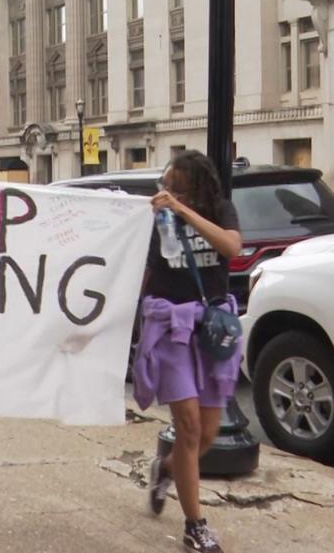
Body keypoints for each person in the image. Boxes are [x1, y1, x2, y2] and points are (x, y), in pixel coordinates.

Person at [135, 150, 242, 553]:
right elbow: (142, 273)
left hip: (211, 329)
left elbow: (231, 246)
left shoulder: (221, 209)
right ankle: (195, 526)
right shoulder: (154, 222)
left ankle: (165, 468)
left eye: (177, 187)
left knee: (208, 434)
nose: (168, 193)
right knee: (190, 427)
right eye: (166, 186)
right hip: (170, 327)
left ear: (197, 187)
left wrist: (182, 211)